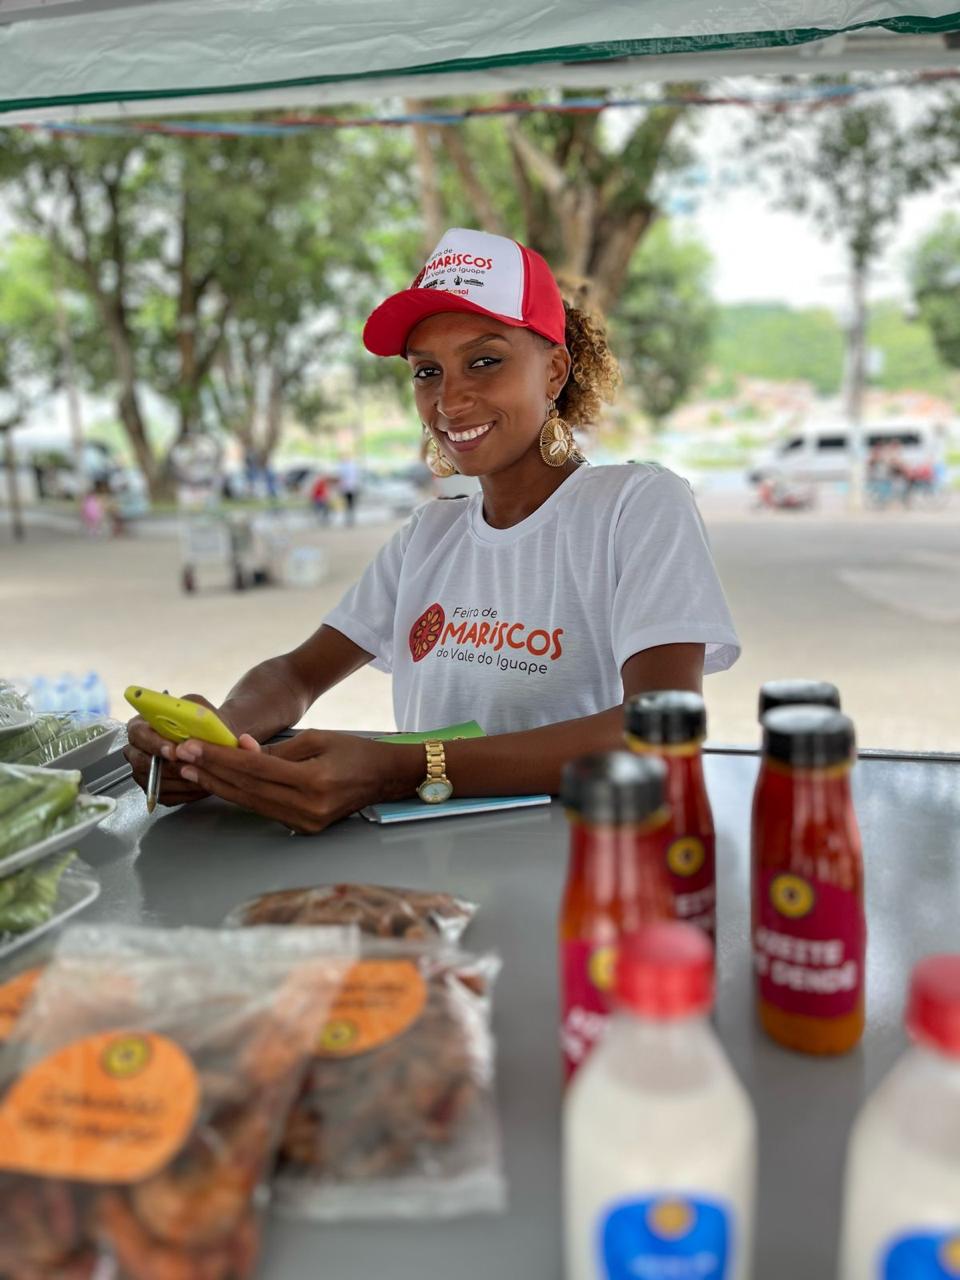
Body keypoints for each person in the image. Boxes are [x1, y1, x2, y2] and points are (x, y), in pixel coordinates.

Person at [125, 227, 739, 834]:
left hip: (586, 868)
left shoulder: (636, 505)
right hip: (436, 877)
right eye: (427, 372)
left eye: (484, 361)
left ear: (554, 372)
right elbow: (294, 675)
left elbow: (662, 727)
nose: (450, 400)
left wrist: (405, 769)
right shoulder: (431, 534)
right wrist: (215, 742)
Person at [337, 455, 360, 526]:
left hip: (349, 488)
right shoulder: (349, 467)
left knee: (349, 505)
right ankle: (349, 519)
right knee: (349, 505)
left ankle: (350, 519)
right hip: (348, 488)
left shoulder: (346, 467)